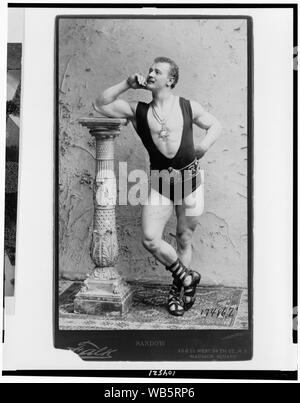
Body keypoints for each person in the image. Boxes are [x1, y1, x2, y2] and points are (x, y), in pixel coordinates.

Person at [93, 57, 222, 316]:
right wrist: (127, 83)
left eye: (157, 71)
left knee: (184, 239)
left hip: (191, 180)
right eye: (150, 70)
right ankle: (186, 278)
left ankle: (177, 291)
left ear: (170, 80)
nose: (150, 73)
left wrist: (203, 146)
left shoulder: (187, 106)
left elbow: (215, 124)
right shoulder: (138, 111)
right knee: (151, 238)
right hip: (161, 182)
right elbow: (100, 104)